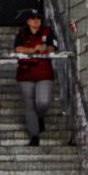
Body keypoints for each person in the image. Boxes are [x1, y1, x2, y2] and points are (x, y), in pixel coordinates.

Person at [13, 8, 58, 147]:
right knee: (29, 104)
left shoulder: (48, 31)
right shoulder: (21, 32)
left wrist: (45, 48)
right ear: (28, 21)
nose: (36, 21)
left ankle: (41, 116)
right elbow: (17, 48)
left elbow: (54, 47)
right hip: (26, 73)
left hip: (44, 72)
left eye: (38, 18)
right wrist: (32, 50)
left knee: (42, 102)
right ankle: (34, 135)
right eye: (33, 18)